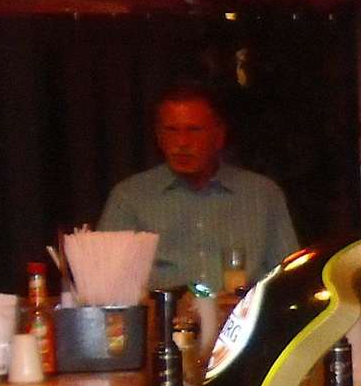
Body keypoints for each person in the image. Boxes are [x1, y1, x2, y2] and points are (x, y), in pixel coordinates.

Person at [97, 81, 299, 293]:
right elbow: (104, 289)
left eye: (194, 130)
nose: (182, 142)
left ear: (218, 136)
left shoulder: (262, 195)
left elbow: (290, 280)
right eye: (171, 130)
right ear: (159, 136)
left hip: (244, 312)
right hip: (163, 313)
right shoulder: (129, 198)